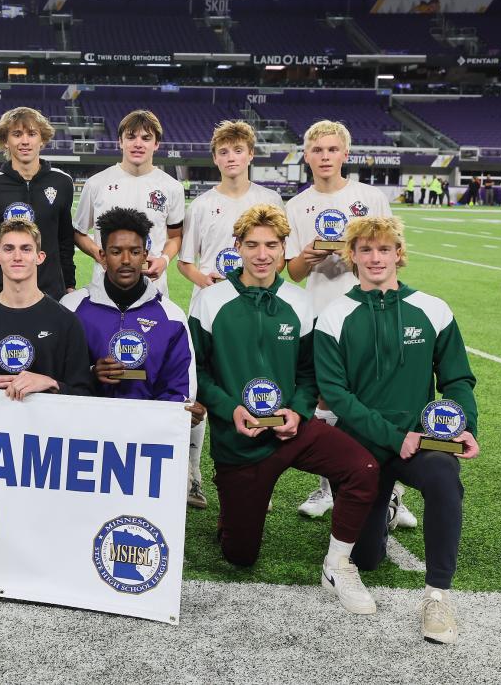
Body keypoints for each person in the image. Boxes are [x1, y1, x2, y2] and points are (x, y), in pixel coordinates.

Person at [188, 204, 380, 614]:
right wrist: (229, 409)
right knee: (241, 556)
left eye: (271, 245)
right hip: (240, 440)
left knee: (361, 467)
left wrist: (297, 409)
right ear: (237, 247)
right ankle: (232, 513)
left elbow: (310, 371)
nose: (262, 254)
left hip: (293, 430)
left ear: (283, 249)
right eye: (252, 245)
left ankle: (338, 563)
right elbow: (198, 371)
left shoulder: (299, 300)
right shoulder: (210, 301)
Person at [314, 216, 480, 644]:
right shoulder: (335, 315)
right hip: (362, 445)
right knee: (368, 559)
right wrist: (393, 436)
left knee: (445, 476)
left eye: (384, 249)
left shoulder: (432, 309)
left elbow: (458, 379)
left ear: (398, 254)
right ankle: (380, 507)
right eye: (365, 249)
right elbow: (336, 395)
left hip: (418, 443)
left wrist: (464, 424)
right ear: (351, 255)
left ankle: (438, 596)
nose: (375, 257)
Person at [283, 120, 413, 527]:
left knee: (381, 397)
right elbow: (294, 273)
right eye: (317, 150)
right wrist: (309, 255)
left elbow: (391, 255)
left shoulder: (369, 197)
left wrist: (356, 258)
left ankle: (394, 489)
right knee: (326, 399)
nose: (325, 157)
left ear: (345, 154)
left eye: (332, 150)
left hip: (372, 311)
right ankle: (327, 487)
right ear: (306, 156)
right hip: (321, 314)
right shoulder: (297, 205)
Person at [176, 120, 282, 508]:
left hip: (256, 310)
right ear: (215, 157)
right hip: (209, 307)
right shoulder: (202, 204)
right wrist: (205, 279)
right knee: (200, 388)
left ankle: (256, 474)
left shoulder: (269, 198)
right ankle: (192, 475)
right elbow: (185, 263)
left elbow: (279, 259)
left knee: (254, 385)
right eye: (223, 151)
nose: (231, 157)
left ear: (250, 155)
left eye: (238, 150)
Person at [61, 206, 203, 424]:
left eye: (135, 252)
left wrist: (174, 413)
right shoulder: (72, 308)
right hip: (86, 432)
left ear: (145, 255)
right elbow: (56, 380)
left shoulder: (171, 316)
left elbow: (178, 388)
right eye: (116, 252)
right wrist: (91, 373)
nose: (126, 260)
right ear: (103, 256)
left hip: (144, 439)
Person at [0, 218, 93, 399]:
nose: (17, 257)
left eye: (26, 249)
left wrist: (51, 384)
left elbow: (83, 392)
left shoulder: (66, 321)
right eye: (8, 249)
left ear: (39, 257)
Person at [0, 107, 76, 300]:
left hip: (51, 294)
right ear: (5, 141)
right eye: (17, 134)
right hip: (1, 295)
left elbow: (65, 240)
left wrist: (69, 285)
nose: (25, 141)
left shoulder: (62, 182)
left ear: (42, 140)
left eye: (32, 134)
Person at [73, 109, 185, 299]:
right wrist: (100, 255)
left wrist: (164, 260)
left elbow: (175, 236)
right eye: (131, 137)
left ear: (156, 144)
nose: (138, 144)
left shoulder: (172, 187)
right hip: (104, 288)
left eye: (146, 138)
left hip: (153, 288)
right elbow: (78, 232)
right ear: (120, 141)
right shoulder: (97, 183)